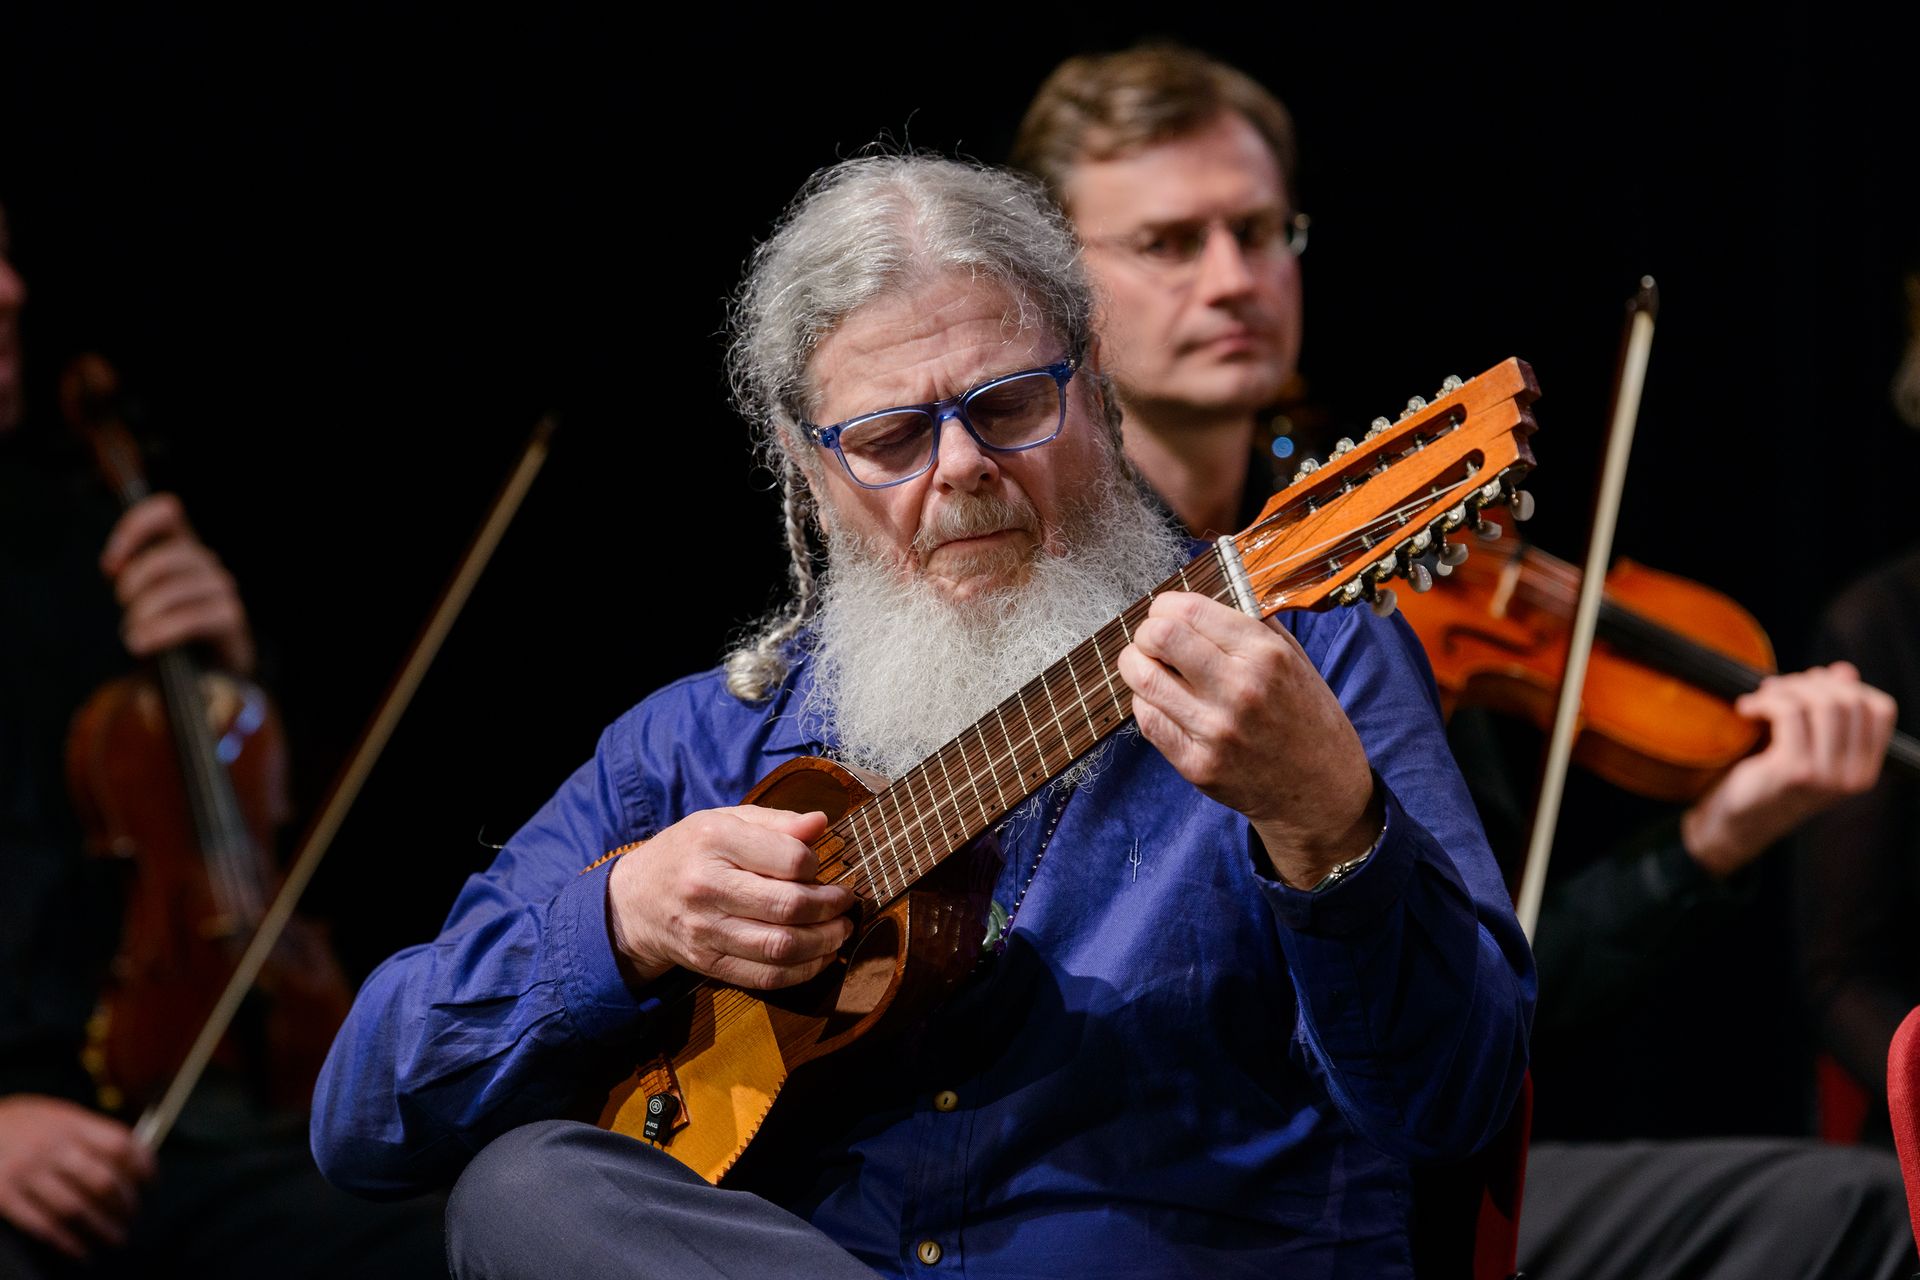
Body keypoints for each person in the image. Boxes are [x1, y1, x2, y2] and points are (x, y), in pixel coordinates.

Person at [310, 152, 1533, 1279]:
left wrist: (1327, 823)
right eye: (891, 436)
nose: (959, 467)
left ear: (1096, 394)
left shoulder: (1298, 668)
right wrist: (623, 917)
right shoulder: (697, 750)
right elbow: (364, 1114)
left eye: (1008, 406)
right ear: (809, 470)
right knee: (526, 1188)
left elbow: (1458, 1103)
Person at [1011, 42, 1913, 1279]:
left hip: (1392, 1159)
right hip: (1149, 1164)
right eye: (1170, 243)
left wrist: (1719, 834)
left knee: (1855, 1208)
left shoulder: (1382, 574)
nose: (1233, 279)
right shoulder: (1025, 588)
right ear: (1056, 285)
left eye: (1262, 232)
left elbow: (1496, 979)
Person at [0, 203, 444, 1278]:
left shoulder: (91, 539)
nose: (11, 289)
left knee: (454, 1231)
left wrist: (227, 688)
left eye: (6, 252)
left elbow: (246, 836)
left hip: (188, 1115)